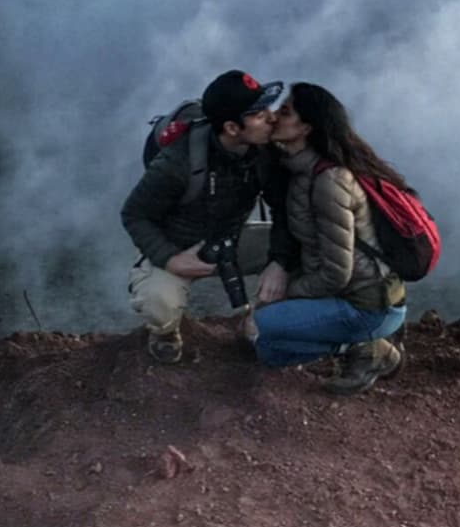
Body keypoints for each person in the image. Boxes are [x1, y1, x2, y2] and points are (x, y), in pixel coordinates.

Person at [122, 69, 292, 364]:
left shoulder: (264, 154)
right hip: (181, 246)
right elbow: (135, 214)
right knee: (158, 304)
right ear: (231, 127)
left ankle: (260, 323)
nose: (271, 117)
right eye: (258, 113)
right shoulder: (178, 161)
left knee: (309, 253)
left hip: (234, 241)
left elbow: (286, 211)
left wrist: (280, 261)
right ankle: (165, 333)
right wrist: (171, 259)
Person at [249, 81, 408, 395]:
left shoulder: (329, 181)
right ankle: (354, 344)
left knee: (264, 321)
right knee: (268, 350)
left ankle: (370, 347)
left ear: (306, 127)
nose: (274, 117)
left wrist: (289, 293)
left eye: (285, 111)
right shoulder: (300, 171)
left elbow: (337, 273)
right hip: (345, 295)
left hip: (367, 304)